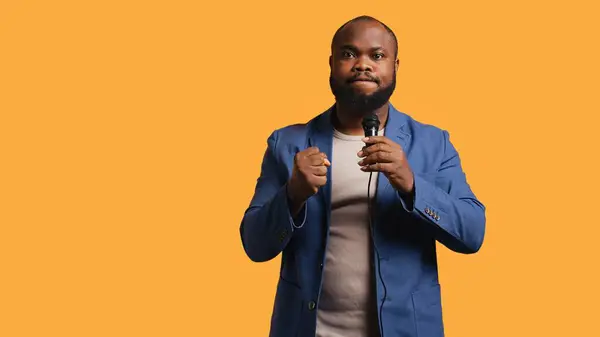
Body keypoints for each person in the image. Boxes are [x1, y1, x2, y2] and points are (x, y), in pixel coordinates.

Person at [239, 15, 486, 337]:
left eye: (377, 55)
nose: (362, 65)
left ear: (395, 65)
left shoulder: (433, 143)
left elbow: (472, 234)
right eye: (348, 54)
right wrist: (292, 195)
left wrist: (412, 186)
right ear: (331, 64)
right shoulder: (287, 144)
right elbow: (255, 246)